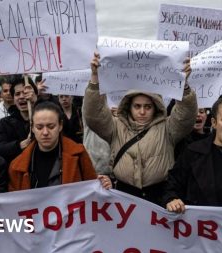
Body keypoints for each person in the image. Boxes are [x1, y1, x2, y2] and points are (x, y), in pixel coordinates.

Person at [83, 53, 197, 204]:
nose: (142, 111)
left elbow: (186, 115)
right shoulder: (116, 126)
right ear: (129, 107)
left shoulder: (168, 128)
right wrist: (95, 77)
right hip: (123, 196)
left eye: (147, 107)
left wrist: (184, 85)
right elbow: (94, 115)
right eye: (137, 106)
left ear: (155, 107)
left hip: (159, 198)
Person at [8, 101, 111, 190]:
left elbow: (92, 189)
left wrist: (103, 185)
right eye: (39, 127)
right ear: (32, 128)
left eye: (51, 126)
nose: (45, 132)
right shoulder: (17, 166)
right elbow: (13, 203)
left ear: (60, 126)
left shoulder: (79, 154)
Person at [0, 76, 38, 163]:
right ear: (13, 98)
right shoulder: (5, 123)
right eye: (17, 94)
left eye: (25, 93)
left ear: (34, 94)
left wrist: (37, 103)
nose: (21, 97)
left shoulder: (45, 119)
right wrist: (19, 145)